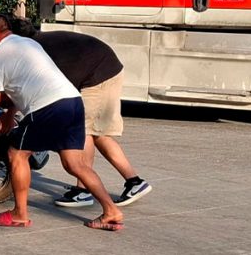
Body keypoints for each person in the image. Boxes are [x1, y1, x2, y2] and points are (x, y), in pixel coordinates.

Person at [0, 14, 124, 231]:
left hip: (48, 107)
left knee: (17, 154)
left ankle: (20, 214)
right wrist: (10, 114)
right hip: (73, 102)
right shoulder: (27, 44)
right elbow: (23, 85)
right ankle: (111, 210)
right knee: (75, 164)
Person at [11, 18, 151, 208]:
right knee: (99, 135)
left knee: (82, 131)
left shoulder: (36, 50)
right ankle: (134, 182)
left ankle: (84, 191)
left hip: (98, 76)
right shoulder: (42, 41)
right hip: (105, 69)